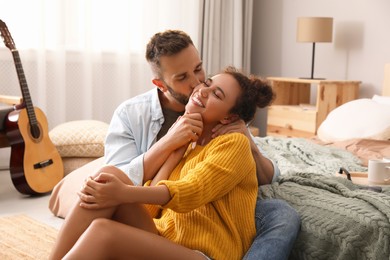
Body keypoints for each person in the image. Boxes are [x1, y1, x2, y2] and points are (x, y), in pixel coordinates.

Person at [50, 66, 275, 259]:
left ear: (228, 117)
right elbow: (150, 210)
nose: (202, 91)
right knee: (109, 174)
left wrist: (122, 193)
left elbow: (191, 191)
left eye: (216, 94)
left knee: (103, 231)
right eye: (206, 83)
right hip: (167, 241)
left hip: (205, 254)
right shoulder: (189, 143)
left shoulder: (234, 144)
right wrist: (174, 149)